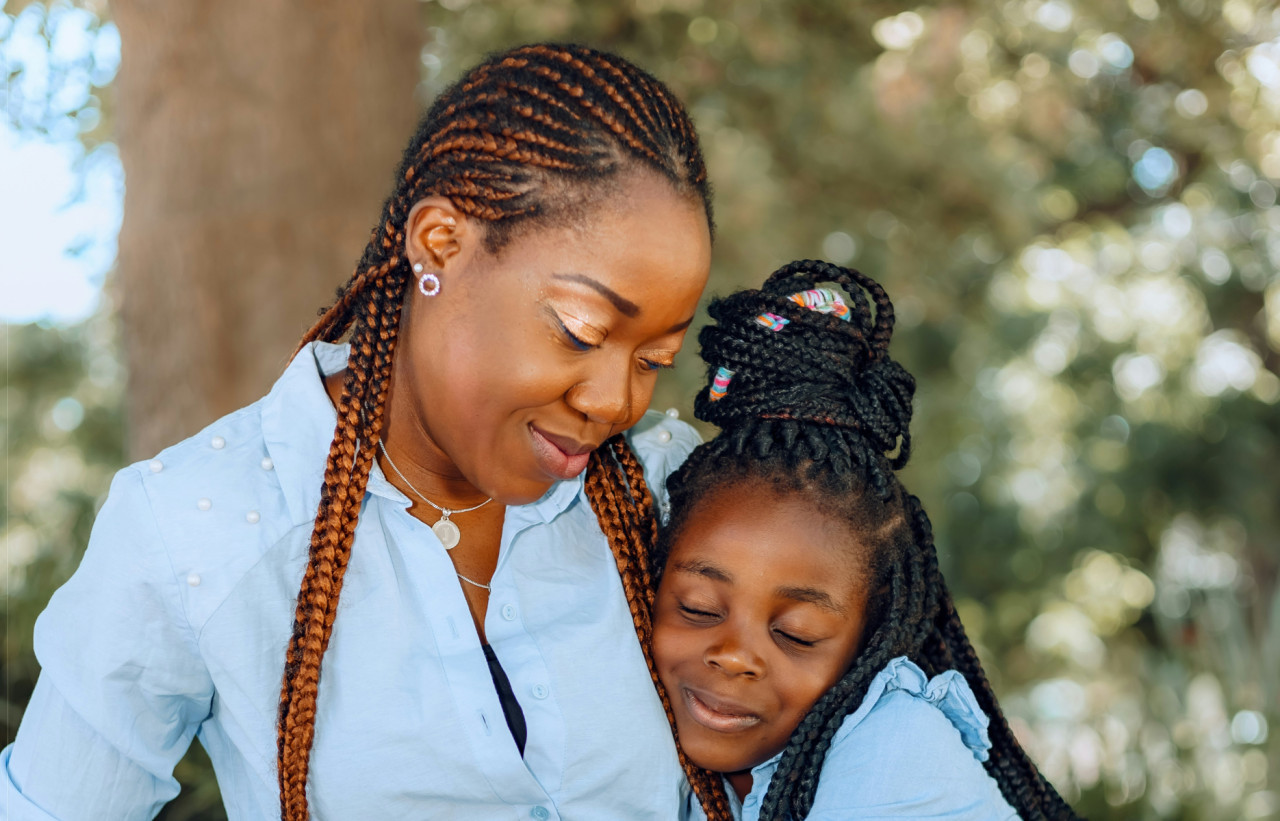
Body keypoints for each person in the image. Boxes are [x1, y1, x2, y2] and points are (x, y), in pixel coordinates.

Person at [2, 44, 716, 819]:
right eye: (579, 331)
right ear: (439, 242)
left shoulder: (668, 491)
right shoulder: (190, 532)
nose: (615, 401)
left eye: (654, 358)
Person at [650, 260, 1080, 820]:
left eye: (797, 636)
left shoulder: (895, 759)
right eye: (698, 608)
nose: (734, 657)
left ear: (868, 644)